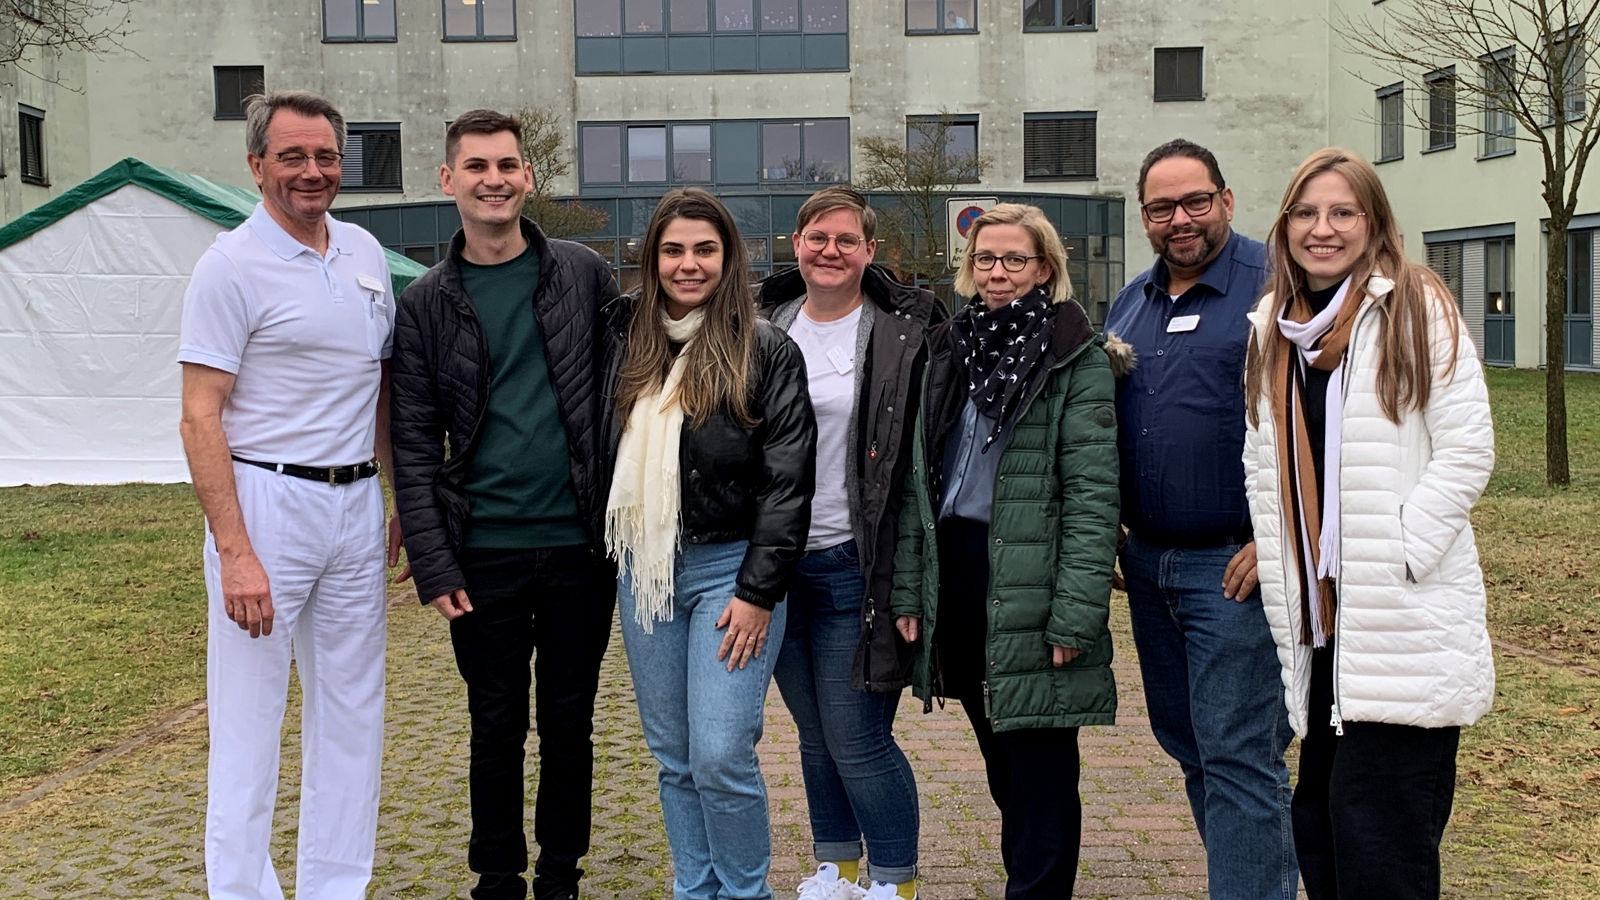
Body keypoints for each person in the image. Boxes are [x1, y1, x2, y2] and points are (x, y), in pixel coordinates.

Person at [1242, 147, 1495, 899]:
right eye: (1307, 213)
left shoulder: (1416, 305)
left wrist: (1400, 554)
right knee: (1320, 823)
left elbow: (1467, 449)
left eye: (1343, 212)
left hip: (1399, 619)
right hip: (1324, 627)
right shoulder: (1274, 330)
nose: (1324, 229)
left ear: (1374, 222)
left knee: (1383, 841)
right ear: (1285, 225)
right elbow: (1267, 469)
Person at [388, 109, 621, 900]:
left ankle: (561, 874)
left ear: (528, 177)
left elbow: (624, 391)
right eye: (478, 166)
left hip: (579, 550)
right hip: (480, 551)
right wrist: (431, 557)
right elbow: (414, 442)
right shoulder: (423, 302)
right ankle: (497, 875)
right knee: (494, 727)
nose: (495, 179)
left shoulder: (583, 273)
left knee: (569, 724)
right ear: (448, 180)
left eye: (508, 166)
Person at [177, 89, 397, 900]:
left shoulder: (367, 254)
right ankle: (241, 890)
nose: (313, 171)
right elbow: (200, 416)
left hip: (355, 508)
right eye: (293, 156)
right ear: (256, 165)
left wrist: (399, 497)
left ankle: (337, 888)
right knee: (248, 722)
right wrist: (235, 551)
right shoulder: (229, 266)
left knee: (352, 718)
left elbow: (376, 386)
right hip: (265, 506)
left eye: (327, 156)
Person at [890, 203, 1119, 899]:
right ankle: (1032, 873)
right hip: (958, 568)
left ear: (1045, 268)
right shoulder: (949, 347)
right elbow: (917, 483)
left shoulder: (1076, 358)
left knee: (1041, 761)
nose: (998, 273)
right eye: (986, 259)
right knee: (1000, 750)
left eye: (1015, 260)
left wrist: (1075, 615)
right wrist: (909, 588)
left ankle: (1037, 887)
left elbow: (1092, 498)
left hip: (1032, 573)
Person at [603, 187, 817, 900]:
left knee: (721, 752)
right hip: (648, 569)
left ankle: (744, 892)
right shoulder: (625, 342)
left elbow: (788, 486)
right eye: (672, 250)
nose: (687, 264)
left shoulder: (765, 350)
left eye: (704, 249)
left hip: (732, 568)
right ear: (651, 259)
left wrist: (758, 594)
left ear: (727, 258)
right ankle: (696, 890)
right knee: (674, 757)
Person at [1102, 138, 1297, 900]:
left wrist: (1276, 537)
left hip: (1234, 570)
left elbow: (1318, 423)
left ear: (1226, 201)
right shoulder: (1132, 303)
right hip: (1149, 569)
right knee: (1188, 745)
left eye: (1195, 201)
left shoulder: (1277, 289)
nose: (1180, 219)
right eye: (1161, 207)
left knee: (1240, 756)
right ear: (1144, 216)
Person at [756, 186, 943, 900]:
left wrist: (910, 581)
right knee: (813, 735)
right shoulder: (764, 323)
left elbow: (921, 468)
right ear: (796, 245)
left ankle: (895, 879)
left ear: (869, 252)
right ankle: (838, 867)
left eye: (845, 240)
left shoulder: (903, 335)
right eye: (815, 237)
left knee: (858, 738)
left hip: (853, 569)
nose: (829, 251)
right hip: (776, 570)